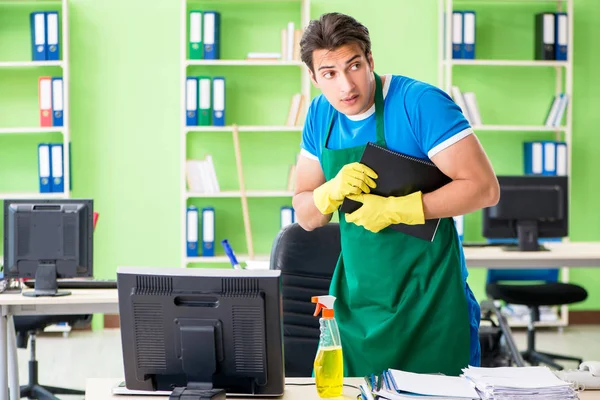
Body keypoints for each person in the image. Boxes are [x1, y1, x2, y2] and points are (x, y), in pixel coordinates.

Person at [292, 12, 500, 377]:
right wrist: (328, 193)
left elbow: (483, 188)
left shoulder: (419, 103)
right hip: (359, 308)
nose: (346, 86)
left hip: (431, 301)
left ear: (370, 60)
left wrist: (397, 209)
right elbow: (306, 215)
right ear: (313, 77)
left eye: (354, 66)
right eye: (329, 74)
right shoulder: (320, 116)